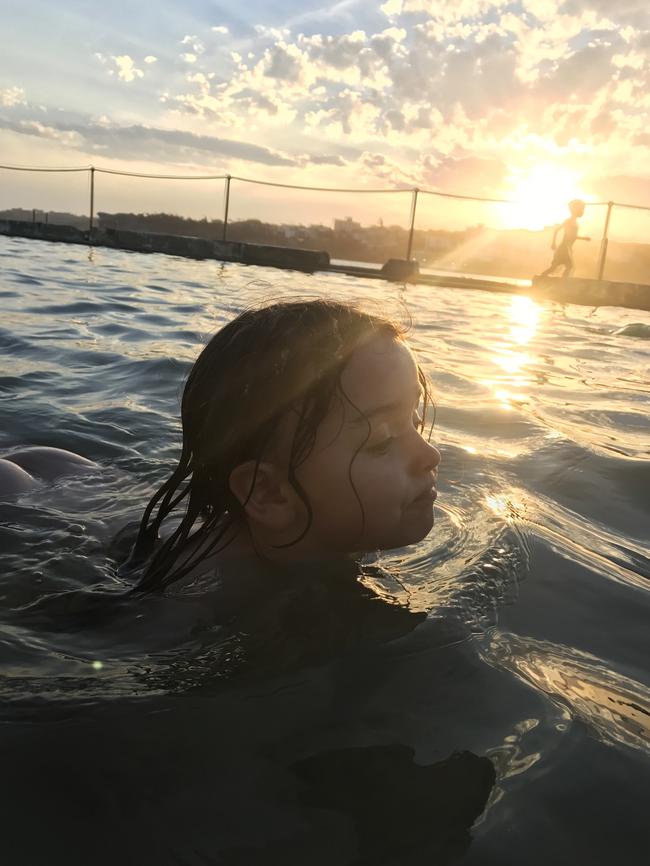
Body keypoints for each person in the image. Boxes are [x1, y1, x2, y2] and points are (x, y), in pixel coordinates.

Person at [127, 299, 441, 592]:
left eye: (415, 422)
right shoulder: (196, 594)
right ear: (270, 493)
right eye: (382, 440)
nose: (430, 455)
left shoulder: (334, 533)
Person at [540, 198, 591, 278]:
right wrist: (553, 243)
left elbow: (571, 236)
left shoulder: (574, 222)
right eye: (581, 209)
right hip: (564, 248)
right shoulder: (569, 221)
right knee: (569, 267)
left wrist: (583, 238)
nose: (582, 212)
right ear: (575, 210)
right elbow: (557, 230)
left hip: (567, 248)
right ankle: (561, 282)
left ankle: (542, 278)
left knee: (555, 267)